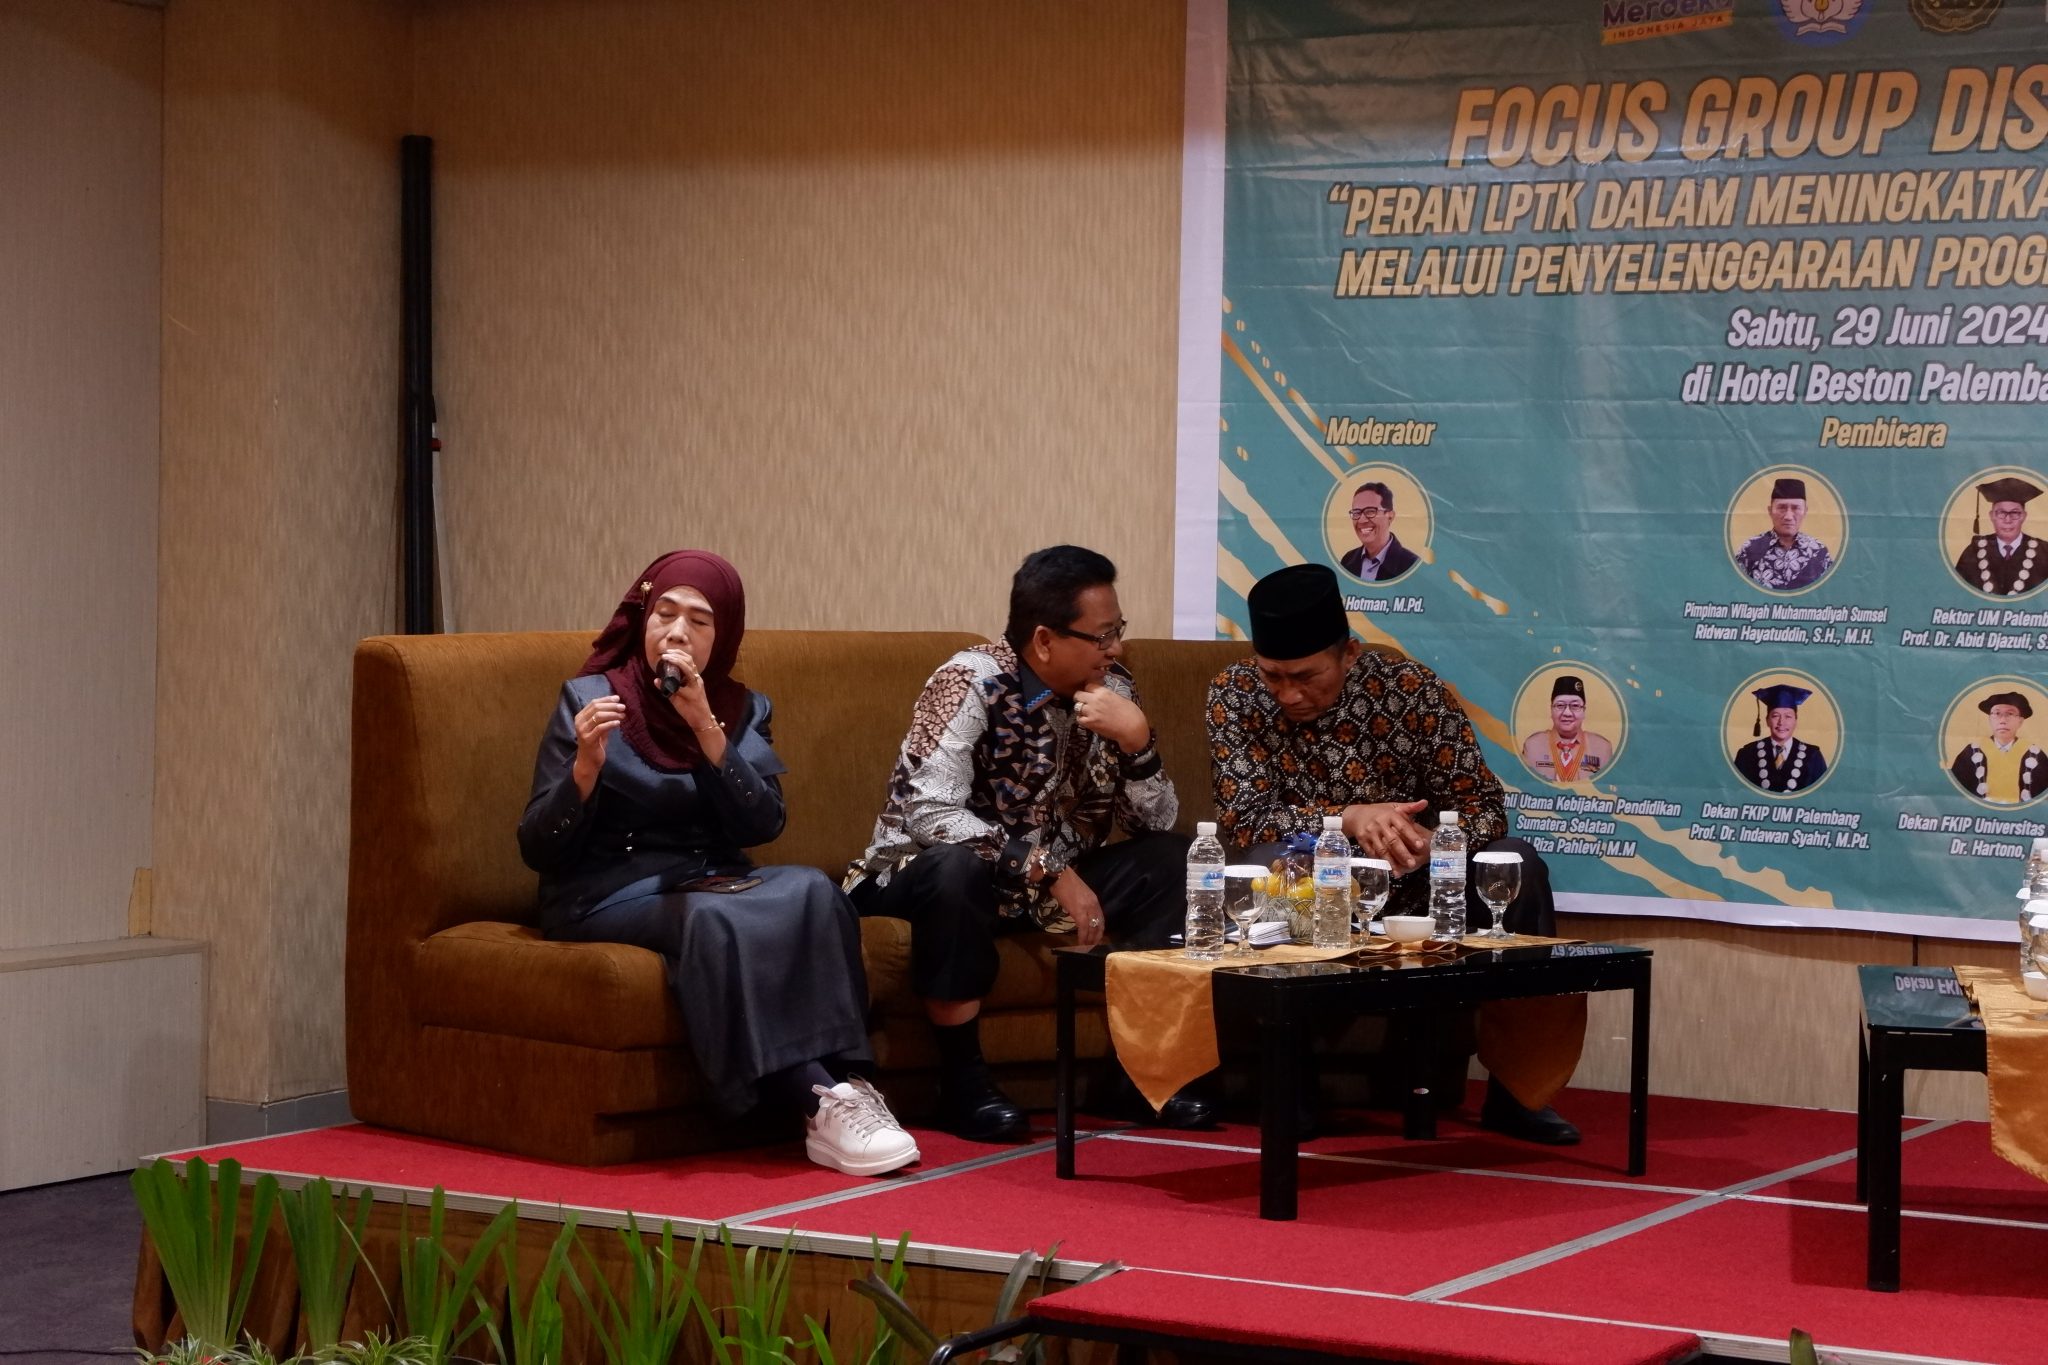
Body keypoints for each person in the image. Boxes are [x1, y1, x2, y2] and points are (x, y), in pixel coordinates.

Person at [518, 550, 918, 1177]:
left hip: (711, 878)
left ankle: (848, 1087)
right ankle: (813, 1095)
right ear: (643, 620)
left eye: (699, 621)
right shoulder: (590, 698)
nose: (677, 632)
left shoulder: (742, 708)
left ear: (722, 635)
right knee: (713, 919)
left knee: (814, 890)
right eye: (664, 614)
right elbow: (537, 848)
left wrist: (707, 727)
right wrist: (584, 772)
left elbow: (763, 825)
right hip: (604, 891)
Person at [1206, 562, 1579, 1145]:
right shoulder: (1234, 694)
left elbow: (1483, 806)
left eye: (1306, 676)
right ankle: (1290, 1092)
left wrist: (1431, 844)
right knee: (1270, 860)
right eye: (1272, 675)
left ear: (1350, 654)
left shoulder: (1411, 690)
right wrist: (1348, 819)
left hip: (1417, 887)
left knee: (1517, 861)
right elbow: (1242, 819)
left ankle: (1520, 1092)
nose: (1288, 694)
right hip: (1308, 886)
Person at [847, 545, 1212, 1141]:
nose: (1115, 649)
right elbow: (927, 811)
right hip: (926, 878)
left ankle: (1136, 1077)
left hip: (1039, 889)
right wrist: (1047, 868)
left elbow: (1154, 821)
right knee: (955, 869)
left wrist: (1138, 744)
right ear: (1044, 640)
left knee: (1174, 861)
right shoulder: (970, 681)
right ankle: (962, 1084)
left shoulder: (1113, 689)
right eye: (1102, 636)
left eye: (1118, 631)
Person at [1735, 476, 1832, 591]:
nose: (1788, 517)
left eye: (1796, 508)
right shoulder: (1749, 549)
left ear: (1805, 511)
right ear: (1770, 511)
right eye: (1782, 508)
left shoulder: (1819, 552)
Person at [1952, 476, 2043, 597]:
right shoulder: (1973, 551)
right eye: (2001, 513)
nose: (2007, 520)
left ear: (2024, 516)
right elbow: (1957, 594)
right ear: (1991, 516)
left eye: (2015, 513)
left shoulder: (2044, 551)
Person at [1949, 691, 2046, 804]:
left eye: (2010, 714)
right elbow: (1956, 793)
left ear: (2020, 721)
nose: (2003, 720)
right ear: (1990, 719)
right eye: (1996, 713)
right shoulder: (1971, 752)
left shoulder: (2035, 754)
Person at [1731, 683, 1829, 794]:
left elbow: (1823, 795)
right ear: (1767, 720)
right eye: (1775, 716)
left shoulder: (1813, 756)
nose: (1781, 722)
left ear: (1795, 721)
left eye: (1788, 716)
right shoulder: (1747, 754)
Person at [1518, 675, 1614, 783]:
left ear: (1584, 711)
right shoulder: (1533, 746)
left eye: (1575, 706)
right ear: (1551, 710)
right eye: (1560, 705)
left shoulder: (1602, 748)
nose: (1567, 713)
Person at [1337, 481, 1420, 582]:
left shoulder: (1411, 566)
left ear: (1390, 516)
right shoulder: (1347, 561)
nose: (1361, 520)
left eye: (1370, 511)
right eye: (1356, 512)